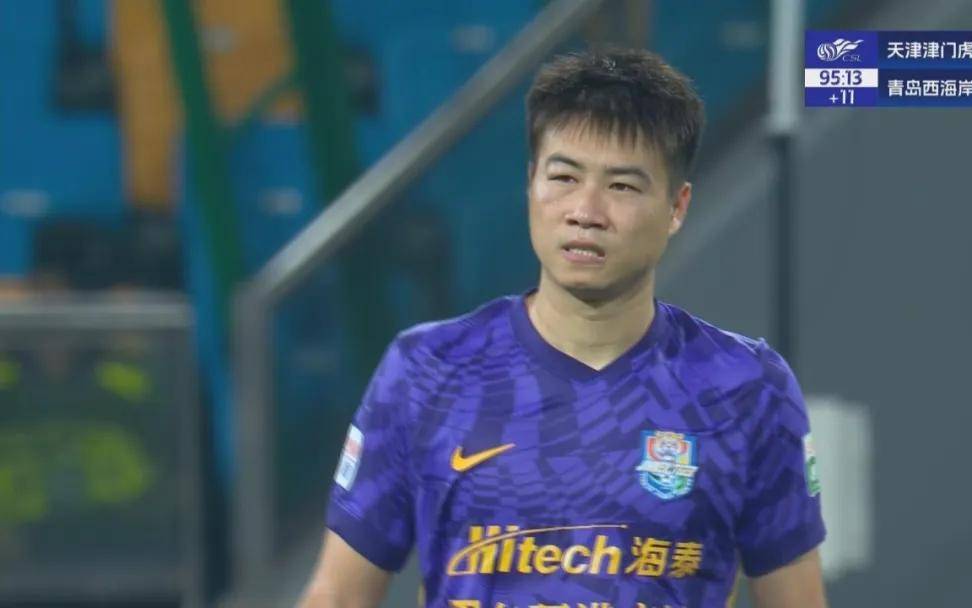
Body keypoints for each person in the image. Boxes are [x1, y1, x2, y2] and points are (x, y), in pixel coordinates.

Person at [299, 47, 827, 608]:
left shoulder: (747, 387)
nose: (585, 211)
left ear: (677, 206)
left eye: (622, 186)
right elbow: (337, 597)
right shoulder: (428, 370)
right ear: (531, 182)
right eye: (564, 177)